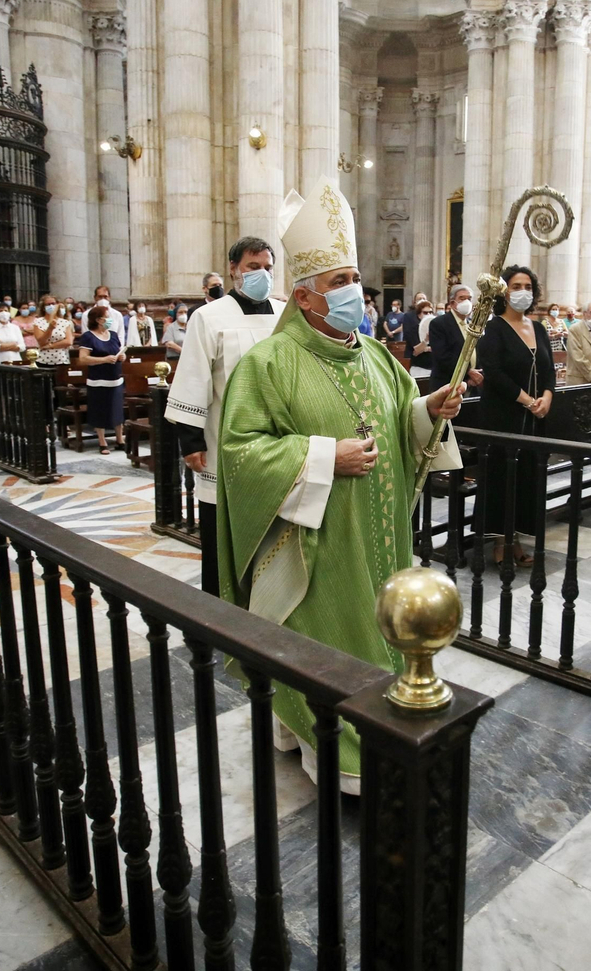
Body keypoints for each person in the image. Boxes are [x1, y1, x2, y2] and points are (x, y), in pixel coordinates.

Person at [215, 180, 463, 793]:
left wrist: (429, 408)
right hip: (318, 549)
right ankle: (324, 748)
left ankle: (375, 722)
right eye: (339, 281)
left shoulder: (378, 355)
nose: (356, 292)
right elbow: (241, 453)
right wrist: (325, 457)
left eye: (355, 278)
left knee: (381, 639)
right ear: (303, 296)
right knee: (318, 647)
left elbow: (402, 421)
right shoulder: (268, 365)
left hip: (380, 541)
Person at [166, 236, 282, 594]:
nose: (261, 274)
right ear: (234, 269)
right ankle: (216, 620)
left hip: (278, 446)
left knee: (274, 538)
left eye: (267, 268)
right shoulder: (208, 317)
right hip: (223, 444)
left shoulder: (285, 315)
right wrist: (190, 441)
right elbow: (193, 379)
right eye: (253, 266)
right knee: (222, 540)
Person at [475, 265, 555, 565]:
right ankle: (500, 543)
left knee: (526, 478)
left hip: (534, 419)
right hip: (502, 416)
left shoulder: (539, 328)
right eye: (516, 286)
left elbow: (549, 372)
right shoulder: (494, 328)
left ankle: (518, 539)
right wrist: (525, 399)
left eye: (527, 286)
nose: (523, 291)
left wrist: (546, 398)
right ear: (504, 292)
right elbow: (492, 372)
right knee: (502, 478)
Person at [73, 305, 124, 454]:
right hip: (98, 380)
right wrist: (104, 359)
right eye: (106, 317)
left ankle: (120, 439)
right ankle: (102, 442)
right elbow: (83, 359)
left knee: (117, 411)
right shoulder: (88, 337)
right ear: (98, 320)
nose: (109, 320)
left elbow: (117, 351)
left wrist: (121, 356)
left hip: (115, 379)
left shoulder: (113, 335)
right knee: (100, 410)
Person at [428, 284, 483, 389]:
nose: (466, 302)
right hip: (447, 383)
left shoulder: (473, 324)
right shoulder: (439, 323)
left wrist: (477, 373)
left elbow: (478, 351)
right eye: (462, 298)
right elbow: (442, 356)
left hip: (473, 383)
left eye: (469, 299)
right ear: (453, 303)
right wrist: (468, 373)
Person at [31, 294, 73, 365]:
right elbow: (41, 342)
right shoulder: (38, 322)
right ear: (43, 307)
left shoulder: (65, 322)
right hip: (43, 360)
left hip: (62, 360)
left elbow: (68, 341)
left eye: (53, 304)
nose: (51, 306)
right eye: (48, 304)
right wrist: (50, 329)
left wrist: (50, 346)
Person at [408, 300, 435, 377]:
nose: (428, 315)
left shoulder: (437, 328)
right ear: (419, 315)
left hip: (434, 367)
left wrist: (426, 349)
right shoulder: (413, 329)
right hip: (419, 367)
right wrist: (426, 340)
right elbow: (416, 351)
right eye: (425, 313)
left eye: (430, 312)